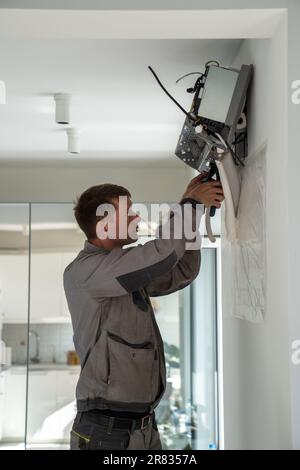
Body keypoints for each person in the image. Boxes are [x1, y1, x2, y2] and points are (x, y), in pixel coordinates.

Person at [64, 175, 224, 450]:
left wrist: (192, 211)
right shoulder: (87, 272)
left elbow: (181, 270)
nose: (136, 217)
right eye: (128, 212)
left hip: (143, 426)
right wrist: (188, 206)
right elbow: (160, 253)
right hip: (107, 432)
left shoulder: (121, 269)